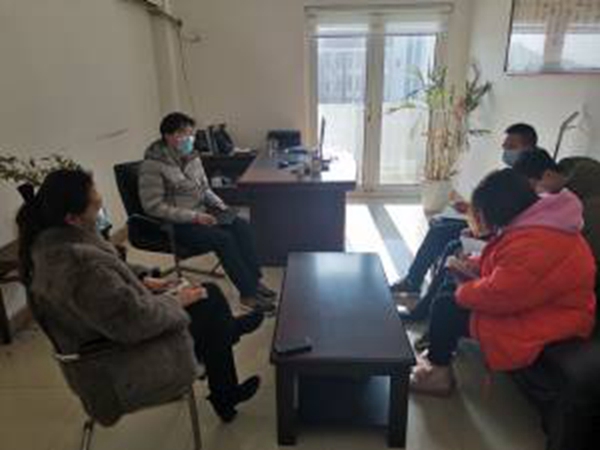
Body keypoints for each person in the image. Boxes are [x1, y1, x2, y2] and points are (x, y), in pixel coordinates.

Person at [17, 169, 263, 423]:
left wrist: (144, 279)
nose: (101, 205)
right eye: (95, 203)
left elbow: (112, 269)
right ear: (73, 218)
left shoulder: (56, 242)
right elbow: (133, 322)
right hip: (114, 361)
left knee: (208, 300)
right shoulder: (80, 267)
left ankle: (225, 374)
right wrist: (176, 301)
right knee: (209, 304)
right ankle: (226, 366)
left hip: (107, 334)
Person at [409, 169, 596, 396]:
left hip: (553, 317)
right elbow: (509, 266)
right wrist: (472, 265)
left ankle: (439, 376)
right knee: (452, 281)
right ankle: (440, 350)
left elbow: (502, 296)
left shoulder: (536, 241)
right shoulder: (540, 219)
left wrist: (464, 290)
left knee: (447, 305)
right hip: (537, 303)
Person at [139, 112, 275, 313]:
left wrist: (220, 205)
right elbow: (153, 206)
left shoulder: (193, 157)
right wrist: (195, 217)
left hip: (201, 213)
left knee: (242, 226)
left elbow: (204, 189)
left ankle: (254, 283)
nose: (189, 138)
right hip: (177, 224)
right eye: (183, 134)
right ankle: (247, 295)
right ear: (168, 136)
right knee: (224, 239)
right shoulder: (153, 165)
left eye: (190, 133)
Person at [391, 122, 543, 296]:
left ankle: (414, 282)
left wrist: (474, 215)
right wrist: (471, 208)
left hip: (495, 231)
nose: (505, 150)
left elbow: (507, 216)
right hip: (489, 223)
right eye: (504, 145)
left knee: (440, 233)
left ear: (528, 148)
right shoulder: (513, 174)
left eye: (511, 147)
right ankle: (415, 280)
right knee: (439, 222)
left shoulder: (530, 180)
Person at [514, 150, 600, 327]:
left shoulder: (587, 210)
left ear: (547, 175)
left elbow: (577, 264)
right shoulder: (568, 194)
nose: (534, 196)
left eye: (533, 188)